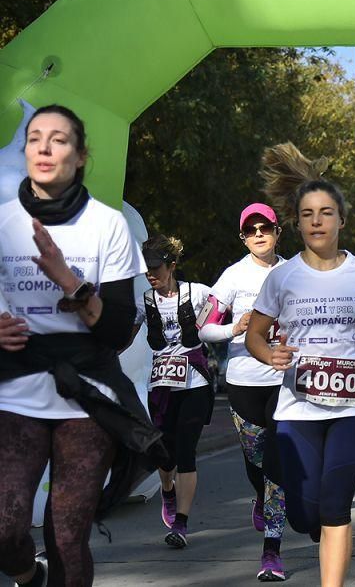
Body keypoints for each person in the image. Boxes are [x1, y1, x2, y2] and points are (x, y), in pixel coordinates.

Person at [0, 104, 165, 587]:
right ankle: (30, 577)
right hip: (16, 389)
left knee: (67, 536)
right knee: (6, 529)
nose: (46, 148)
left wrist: (70, 282)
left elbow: (117, 331)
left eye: (60, 139)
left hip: (87, 394)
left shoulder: (107, 225)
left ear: (81, 155)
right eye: (36, 139)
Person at [245, 142, 355, 586]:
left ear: (340, 220)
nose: (317, 221)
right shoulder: (281, 277)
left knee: (335, 504)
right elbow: (254, 335)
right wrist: (269, 354)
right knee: (304, 513)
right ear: (297, 224)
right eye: (307, 214)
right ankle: (317, 528)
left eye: (326, 212)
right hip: (298, 408)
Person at [199, 203, 287, 580]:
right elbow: (203, 329)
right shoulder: (233, 276)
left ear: (277, 230)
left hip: (286, 381)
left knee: (277, 466)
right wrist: (235, 328)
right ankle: (259, 497)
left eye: (264, 227)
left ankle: (271, 550)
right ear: (243, 237)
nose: (258, 235)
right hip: (244, 381)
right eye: (250, 230)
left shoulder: (295, 270)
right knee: (256, 462)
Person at [139, 234, 216, 549]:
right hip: (161, 387)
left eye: (156, 267)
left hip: (194, 383)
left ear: (172, 266)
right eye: (147, 269)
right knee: (164, 453)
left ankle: (181, 524)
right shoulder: (145, 300)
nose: (151, 274)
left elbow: (225, 308)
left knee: (186, 452)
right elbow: (123, 333)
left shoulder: (196, 293)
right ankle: (167, 490)